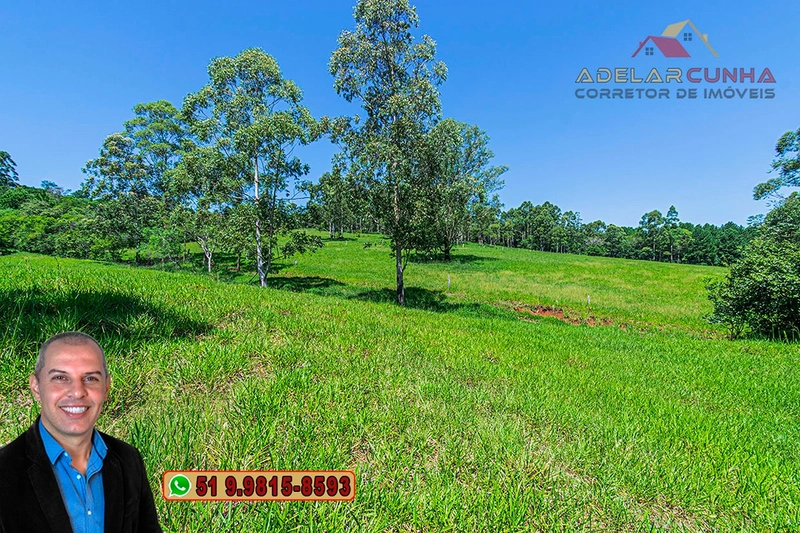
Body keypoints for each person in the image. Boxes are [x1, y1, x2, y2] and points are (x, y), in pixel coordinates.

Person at [0, 331, 161, 533]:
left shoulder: (129, 460)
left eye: (91, 378)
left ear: (106, 386)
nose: (77, 392)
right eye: (60, 377)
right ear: (36, 386)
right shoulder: (5, 471)